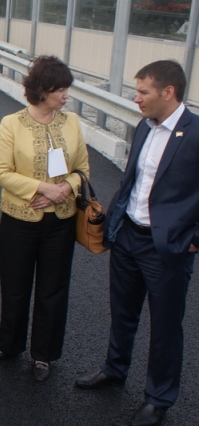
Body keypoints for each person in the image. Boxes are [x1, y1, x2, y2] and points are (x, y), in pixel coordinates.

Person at [75, 61, 198, 426]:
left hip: (168, 247)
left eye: (143, 91)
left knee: (164, 325)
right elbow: (134, 180)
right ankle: (115, 369)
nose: (136, 97)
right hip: (129, 235)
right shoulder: (144, 127)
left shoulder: (194, 135)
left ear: (168, 92)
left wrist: (194, 241)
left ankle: (159, 398)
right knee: (123, 311)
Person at [0, 56, 89, 382]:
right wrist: (42, 187)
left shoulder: (72, 122)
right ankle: (9, 345)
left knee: (53, 289)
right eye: (61, 89)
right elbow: (1, 172)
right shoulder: (11, 123)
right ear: (43, 90)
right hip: (19, 220)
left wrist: (65, 189)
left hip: (61, 221)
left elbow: (83, 171)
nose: (66, 96)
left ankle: (43, 355)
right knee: (15, 287)